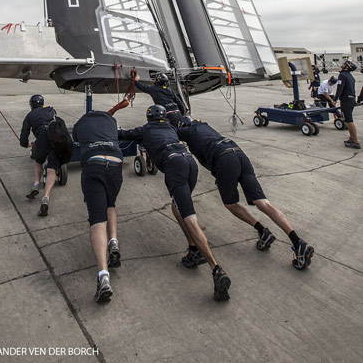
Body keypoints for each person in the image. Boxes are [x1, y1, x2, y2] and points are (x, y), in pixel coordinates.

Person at [118, 105, 231, 302]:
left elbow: (124, 134)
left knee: (189, 217)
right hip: (189, 163)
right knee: (176, 207)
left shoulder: (145, 129)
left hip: (174, 165)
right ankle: (193, 249)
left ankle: (216, 269)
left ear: (149, 117)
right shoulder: (171, 128)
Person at [172, 116, 314, 270]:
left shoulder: (186, 131)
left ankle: (262, 230)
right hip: (238, 153)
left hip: (223, 159)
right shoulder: (205, 126)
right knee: (263, 202)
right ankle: (298, 242)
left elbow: (171, 133)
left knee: (230, 203)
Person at [72, 108, 123, 303]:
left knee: (97, 219)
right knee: (111, 204)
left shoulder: (80, 123)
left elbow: (76, 139)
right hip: (116, 163)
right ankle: (114, 242)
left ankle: (103, 276)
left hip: (94, 164)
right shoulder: (110, 121)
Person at [19, 94, 64, 216]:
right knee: (51, 169)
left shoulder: (29, 116)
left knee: (38, 161)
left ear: (31, 105)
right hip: (55, 139)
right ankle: (46, 197)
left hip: (41, 140)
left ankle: (36, 184)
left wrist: (27, 144)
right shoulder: (51, 110)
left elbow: (24, 136)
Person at [334, 61, 360, 149]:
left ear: (347, 67)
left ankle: (355, 141)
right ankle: (351, 138)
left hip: (346, 100)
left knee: (349, 120)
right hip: (351, 99)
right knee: (347, 119)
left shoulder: (342, 75)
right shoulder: (350, 76)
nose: (342, 64)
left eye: (344, 63)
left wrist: (335, 99)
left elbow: (340, 88)